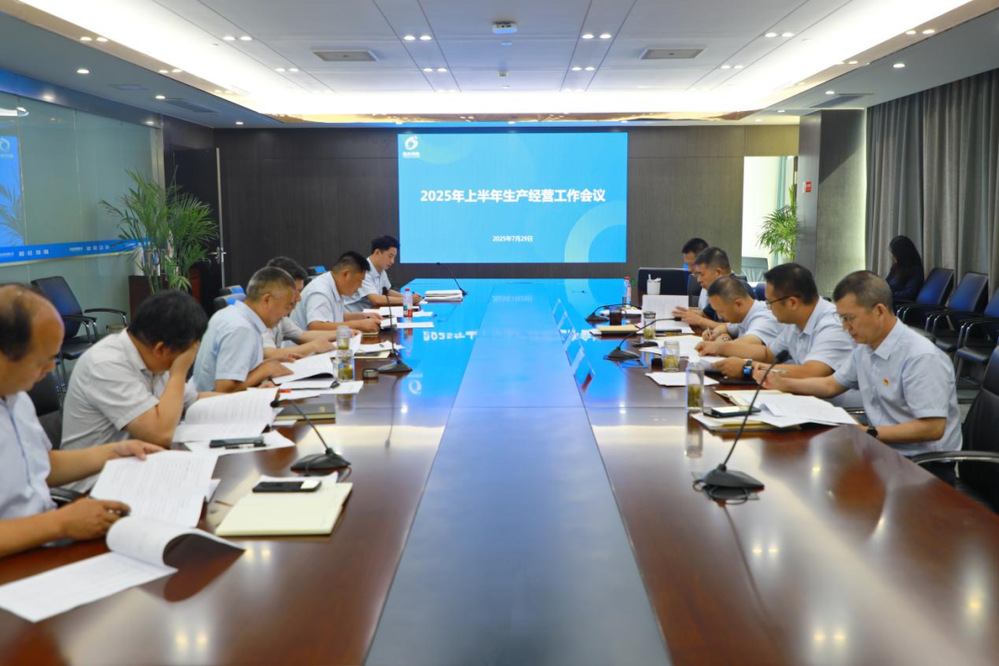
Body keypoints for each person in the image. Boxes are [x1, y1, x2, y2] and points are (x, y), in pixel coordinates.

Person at [0, 284, 162, 558]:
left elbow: (41, 466)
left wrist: (114, 452)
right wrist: (60, 523)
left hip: (44, 545)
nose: (51, 368)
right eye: (42, 360)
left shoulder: (17, 396)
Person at [758, 271, 961, 482]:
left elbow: (932, 428)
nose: (845, 327)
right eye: (841, 318)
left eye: (849, 318)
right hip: (882, 452)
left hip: (923, 466)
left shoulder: (920, 356)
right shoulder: (865, 348)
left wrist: (868, 432)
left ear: (879, 311)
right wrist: (783, 383)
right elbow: (830, 385)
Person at [60, 290, 207, 491]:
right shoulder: (106, 364)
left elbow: (194, 399)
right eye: (185, 354)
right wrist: (179, 372)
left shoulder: (152, 355)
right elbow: (160, 435)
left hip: (136, 469)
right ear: (160, 349)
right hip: (95, 485)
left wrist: (247, 399)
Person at [710, 263, 856, 389]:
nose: (769, 308)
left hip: (837, 408)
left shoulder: (833, 325)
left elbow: (811, 372)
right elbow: (768, 354)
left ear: (792, 303)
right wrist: (720, 348)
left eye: (770, 302)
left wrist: (746, 367)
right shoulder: (795, 322)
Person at [193, 266, 297, 392]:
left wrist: (265, 363)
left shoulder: (233, 314)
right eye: (287, 306)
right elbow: (223, 388)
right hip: (215, 403)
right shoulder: (241, 328)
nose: (286, 314)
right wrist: (266, 369)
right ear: (267, 300)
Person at [290, 251, 381, 334]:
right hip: (303, 347)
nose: (360, 286)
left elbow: (334, 317)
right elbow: (316, 326)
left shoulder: (335, 284)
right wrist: (359, 324)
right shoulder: (320, 291)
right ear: (346, 274)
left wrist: (363, 316)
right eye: (359, 280)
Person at [262, 256, 336, 359]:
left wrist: (344, 333)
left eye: (300, 291)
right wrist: (314, 346)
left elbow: (303, 336)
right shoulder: (256, 318)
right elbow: (270, 354)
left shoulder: (279, 316)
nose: (299, 298)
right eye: (294, 292)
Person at [695, 276, 784, 356]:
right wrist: (715, 333)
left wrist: (718, 346)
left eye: (721, 311)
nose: (719, 316)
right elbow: (725, 327)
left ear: (738, 304)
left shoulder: (764, 317)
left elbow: (747, 344)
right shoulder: (745, 314)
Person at [672, 247, 749, 328]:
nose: (698, 280)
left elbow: (736, 328)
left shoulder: (738, 289)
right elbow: (705, 315)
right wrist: (683, 314)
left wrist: (699, 321)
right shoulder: (718, 292)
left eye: (701, 274)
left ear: (718, 272)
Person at [345, 235, 423, 312]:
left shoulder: (380, 269)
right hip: (353, 316)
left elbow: (387, 291)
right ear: (377, 252)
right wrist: (407, 300)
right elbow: (376, 300)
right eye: (390, 256)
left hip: (370, 312)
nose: (392, 261)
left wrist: (409, 297)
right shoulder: (362, 270)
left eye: (394, 257)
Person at [885, 235, 924, 303]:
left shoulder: (916, 271)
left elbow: (909, 295)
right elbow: (886, 283)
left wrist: (889, 295)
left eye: (894, 254)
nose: (893, 256)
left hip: (899, 304)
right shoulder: (897, 267)